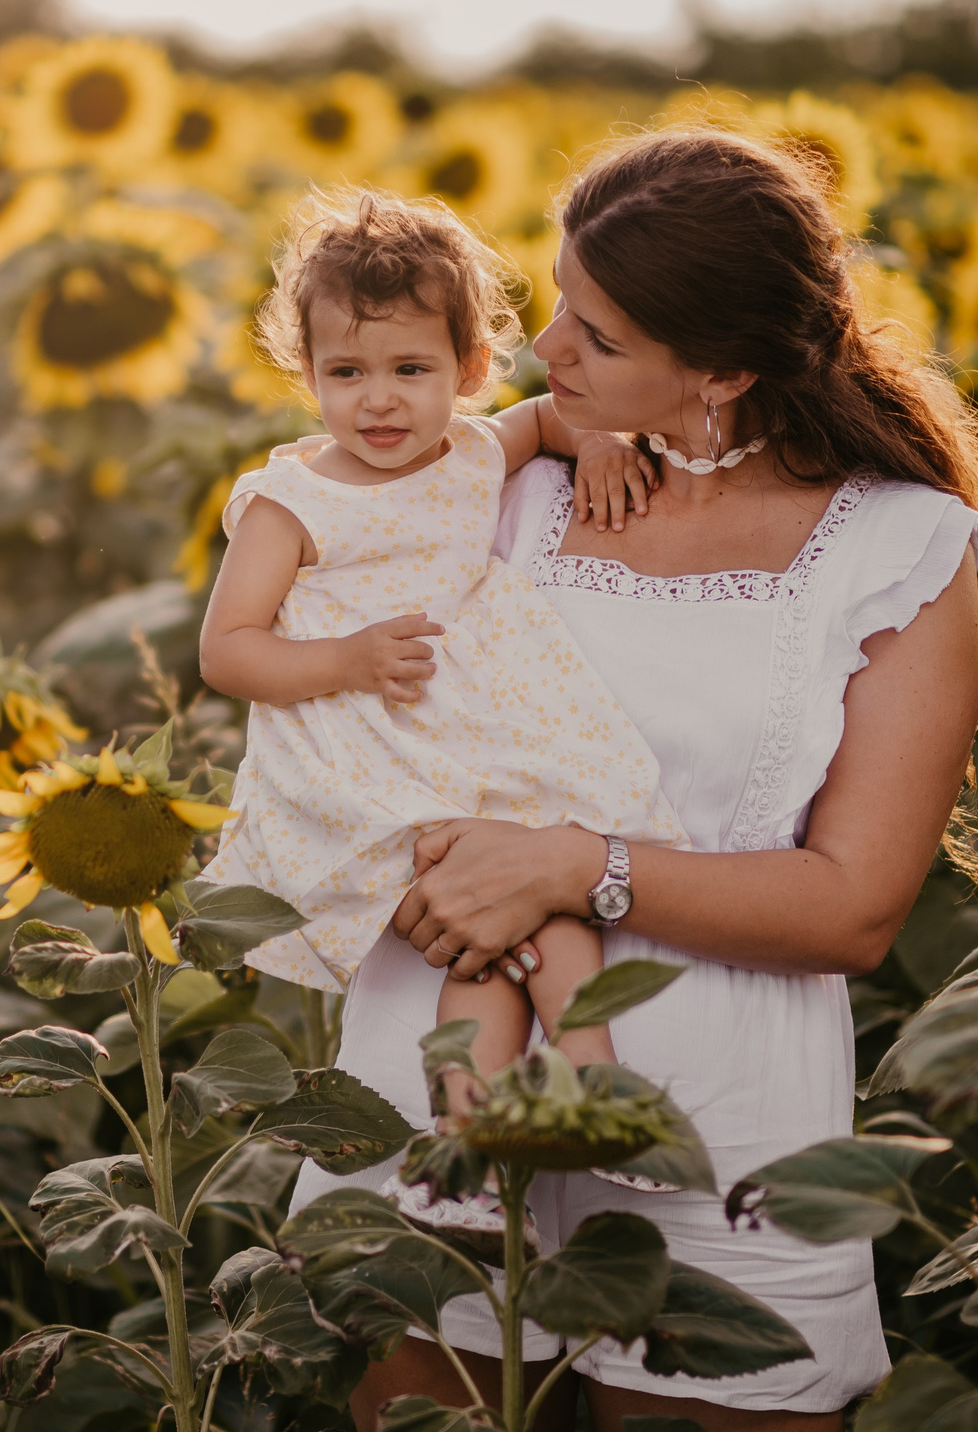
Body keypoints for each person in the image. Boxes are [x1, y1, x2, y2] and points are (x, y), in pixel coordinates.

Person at [293, 128, 978, 1432]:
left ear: (723, 369)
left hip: (719, 1136)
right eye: (561, 299)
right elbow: (320, 706)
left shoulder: (900, 547)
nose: (546, 346)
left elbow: (856, 905)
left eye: (601, 336)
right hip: (435, 1095)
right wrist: (401, 871)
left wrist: (575, 866)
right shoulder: (497, 487)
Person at [197, 189, 685, 1224]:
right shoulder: (293, 503)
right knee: (481, 928)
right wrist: (347, 656)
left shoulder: (472, 450)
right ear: (308, 372)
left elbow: (552, 416)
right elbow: (228, 649)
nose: (378, 401)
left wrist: (599, 443)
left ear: (467, 368)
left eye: (410, 370)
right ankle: (469, 1131)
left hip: (484, 734)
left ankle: (588, 1086)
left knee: (539, 901)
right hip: (373, 746)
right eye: (347, 372)